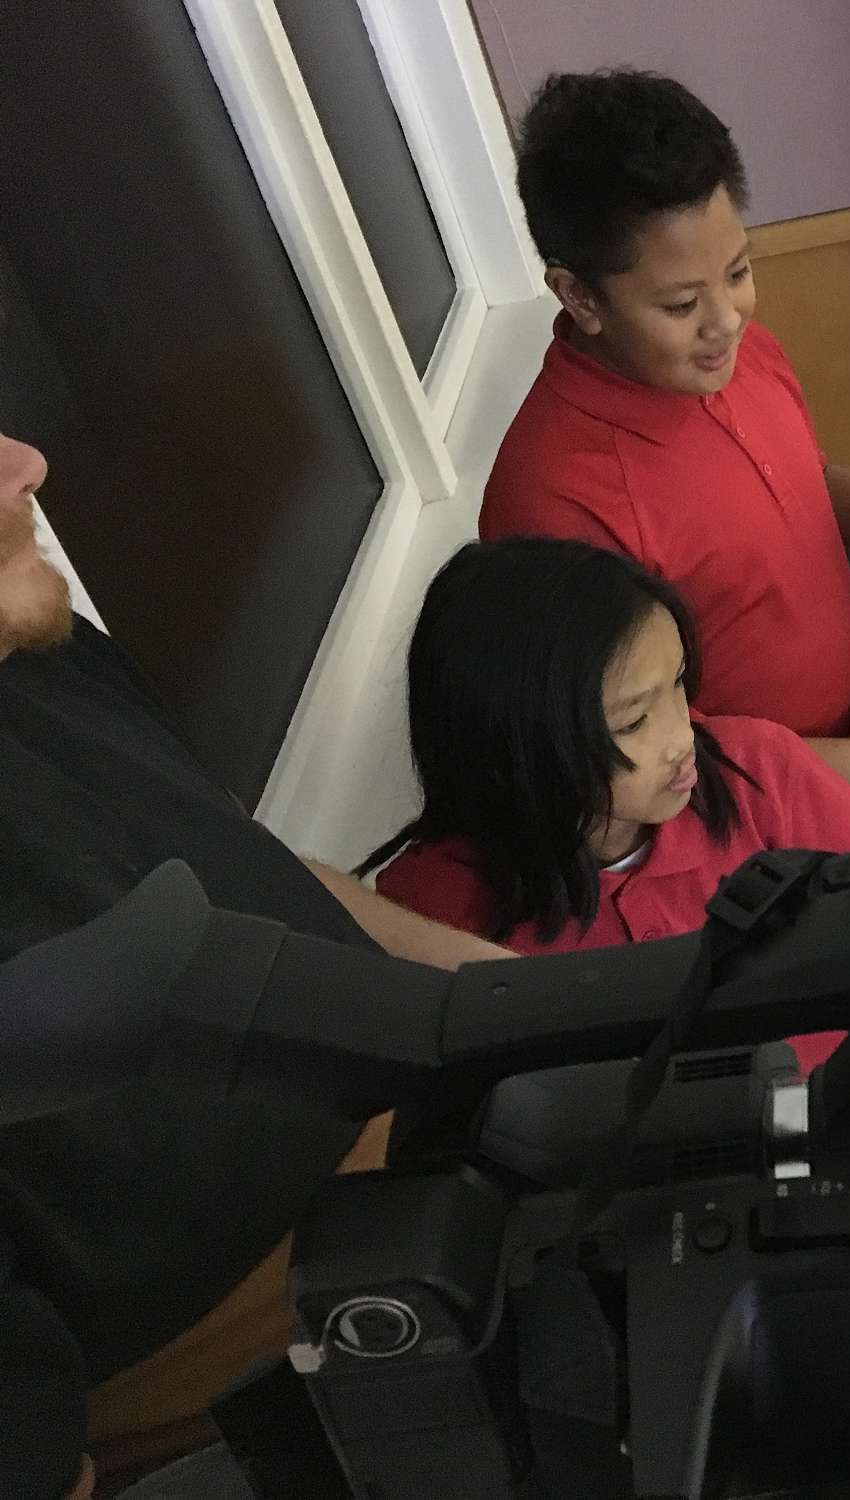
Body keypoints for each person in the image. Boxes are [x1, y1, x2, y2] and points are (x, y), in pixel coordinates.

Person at [0, 429, 513, 1500]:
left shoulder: (41, 656)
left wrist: (532, 1006)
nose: (26, 463)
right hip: (303, 1377)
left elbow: (249, 859)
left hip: (457, 1141)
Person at [485, 69, 850, 809]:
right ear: (579, 295)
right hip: (759, 814)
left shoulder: (736, 357)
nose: (726, 320)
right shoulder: (551, 502)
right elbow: (607, 746)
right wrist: (848, 771)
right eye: (681, 304)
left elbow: (797, 492)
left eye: (739, 272)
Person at [365, 539, 850, 1071]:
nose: (681, 737)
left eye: (678, 682)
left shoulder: (758, 765)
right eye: (634, 722)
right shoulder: (430, 910)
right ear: (520, 752)